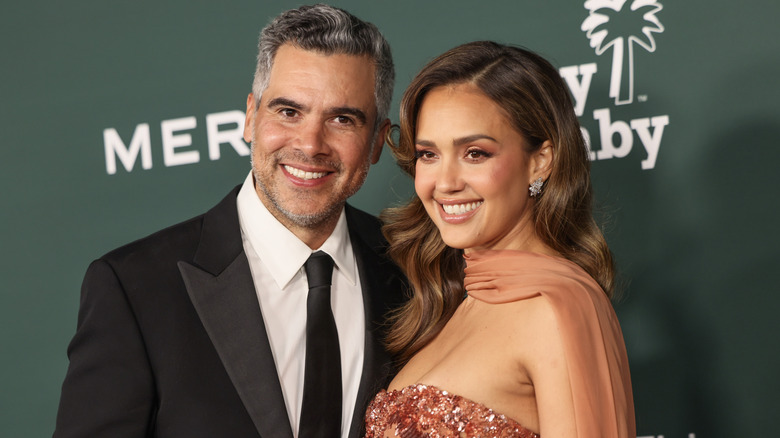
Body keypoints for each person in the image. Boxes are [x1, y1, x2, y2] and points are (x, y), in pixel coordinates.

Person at [54, 5, 406, 438]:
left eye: (342, 119)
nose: (311, 145)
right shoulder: (134, 288)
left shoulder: (414, 271)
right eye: (289, 112)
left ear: (376, 142)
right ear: (250, 117)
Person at [364, 41, 635, 437]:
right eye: (428, 154)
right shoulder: (458, 303)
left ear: (540, 160)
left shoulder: (557, 307)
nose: (446, 183)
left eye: (475, 153)